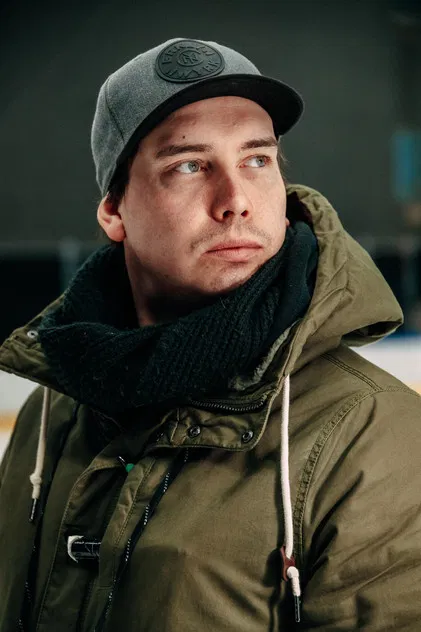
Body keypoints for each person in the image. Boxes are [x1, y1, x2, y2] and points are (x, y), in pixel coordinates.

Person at [0, 37, 420, 632]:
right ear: (114, 211)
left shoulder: (373, 434)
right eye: (189, 166)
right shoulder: (54, 410)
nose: (236, 202)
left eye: (257, 160)